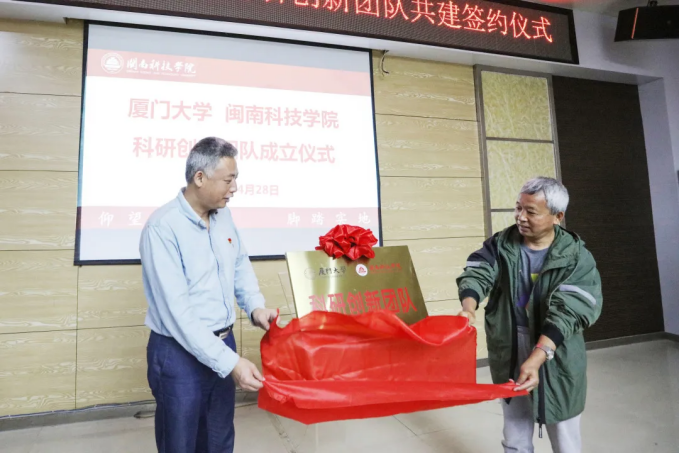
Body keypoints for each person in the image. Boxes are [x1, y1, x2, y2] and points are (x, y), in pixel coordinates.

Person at [140, 137, 278, 453]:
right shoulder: (162, 227)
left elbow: (239, 264)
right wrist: (231, 363)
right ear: (200, 178)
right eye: (228, 180)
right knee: (181, 443)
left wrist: (255, 308)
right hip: (178, 352)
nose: (234, 188)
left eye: (236, 179)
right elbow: (178, 314)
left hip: (223, 343)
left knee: (218, 440)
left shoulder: (223, 216)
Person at [456, 177, 603, 453]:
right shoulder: (501, 244)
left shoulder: (576, 257)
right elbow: (478, 271)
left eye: (531, 211)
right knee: (514, 433)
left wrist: (537, 358)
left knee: (564, 432)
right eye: (518, 208)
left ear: (557, 217)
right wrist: (468, 307)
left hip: (554, 346)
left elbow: (570, 310)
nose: (520, 217)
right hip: (511, 343)